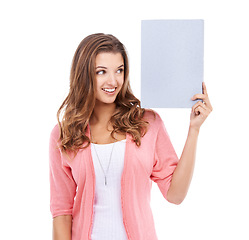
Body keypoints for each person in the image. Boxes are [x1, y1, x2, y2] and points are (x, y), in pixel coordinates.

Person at [49, 33, 212, 240]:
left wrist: (194, 129)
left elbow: (175, 194)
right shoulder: (64, 134)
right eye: (101, 72)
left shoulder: (147, 124)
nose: (113, 80)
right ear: (83, 75)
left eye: (119, 70)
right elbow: (62, 212)